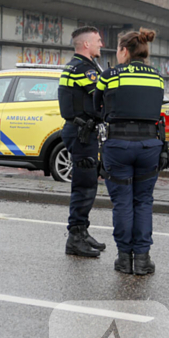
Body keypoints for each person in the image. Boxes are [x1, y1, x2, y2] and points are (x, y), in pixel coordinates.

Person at [94, 29, 166, 276]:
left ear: (124, 50)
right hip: (149, 146)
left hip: (118, 146)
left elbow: (97, 106)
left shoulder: (110, 75)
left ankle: (124, 259)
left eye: (117, 49)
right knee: (143, 202)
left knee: (122, 203)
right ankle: (143, 260)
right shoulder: (157, 77)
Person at [58, 26, 106, 258]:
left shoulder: (78, 66)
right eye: (98, 40)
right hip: (82, 132)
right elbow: (101, 97)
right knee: (84, 186)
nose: (101, 44)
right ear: (86, 45)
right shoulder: (83, 69)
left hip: (80, 131)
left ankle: (82, 232)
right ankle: (75, 238)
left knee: (87, 184)